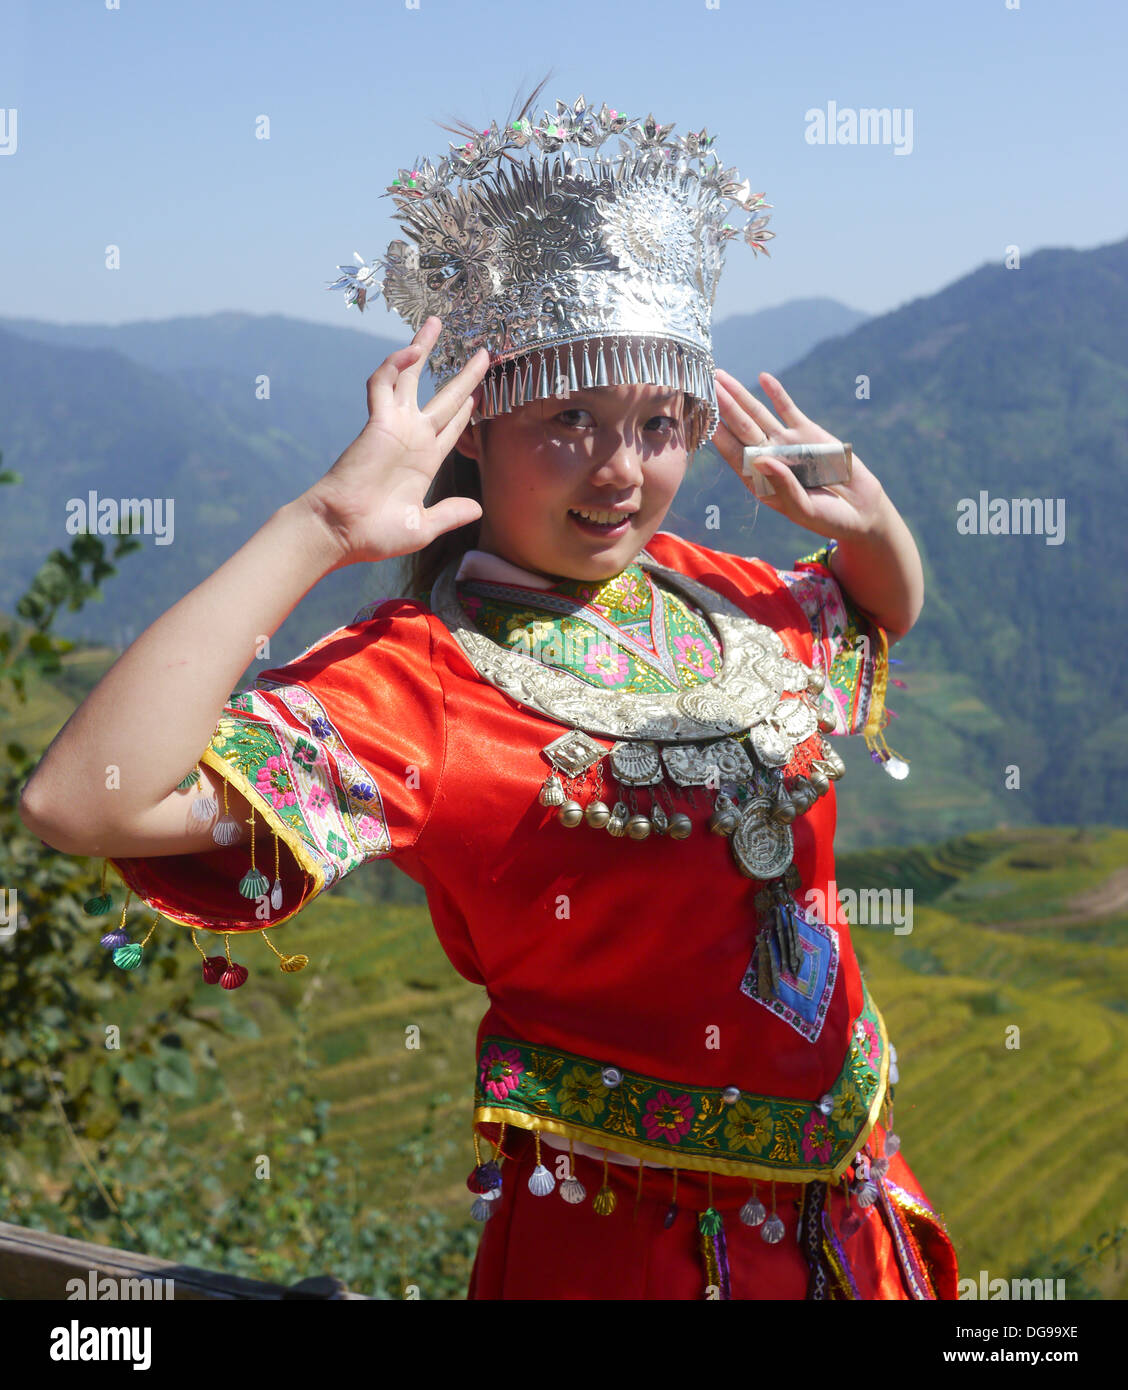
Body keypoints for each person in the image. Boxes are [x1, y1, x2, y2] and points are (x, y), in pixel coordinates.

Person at [19, 87, 958, 1301]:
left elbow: (879, 611)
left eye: (661, 421)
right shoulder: (417, 681)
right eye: (571, 418)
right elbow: (82, 800)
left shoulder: (707, 593)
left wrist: (866, 515)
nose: (624, 470)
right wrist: (319, 524)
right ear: (477, 426)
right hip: (629, 1250)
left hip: (853, 1217)